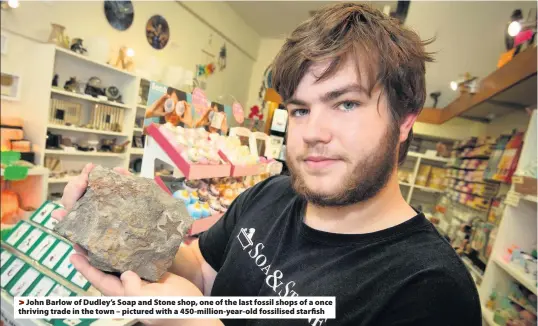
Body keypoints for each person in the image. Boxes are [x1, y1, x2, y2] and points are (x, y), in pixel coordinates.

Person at [53, 3, 481, 326]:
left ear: (405, 119)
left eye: (346, 103)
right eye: (299, 110)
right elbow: (203, 271)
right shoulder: (272, 193)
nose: (314, 132)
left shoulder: (432, 291)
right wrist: (124, 232)